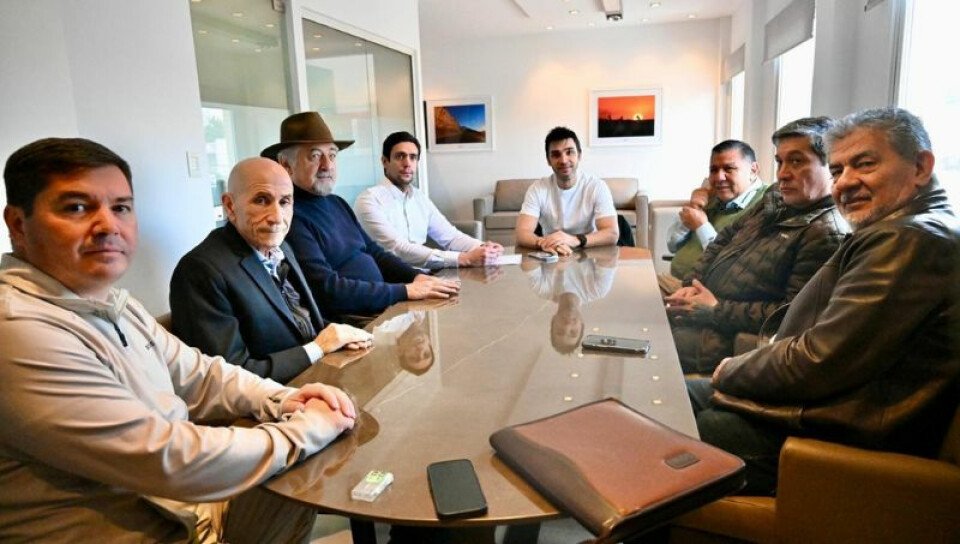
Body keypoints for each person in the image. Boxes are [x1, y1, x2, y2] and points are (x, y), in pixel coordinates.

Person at [0, 138, 358, 543]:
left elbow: (201, 374)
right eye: (77, 208)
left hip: (184, 508)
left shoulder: (112, 303)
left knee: (316, 461)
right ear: (18, 224)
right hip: (153, 524)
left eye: (120, 208)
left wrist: (284, 399)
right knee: (309, 452)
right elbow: (166, 458)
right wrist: (306, 429)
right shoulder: (17, 330)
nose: (108, 226)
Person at [687, 107, 960, 496]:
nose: (845, 182)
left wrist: (732, 369)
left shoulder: (907, 238)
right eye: (837, 170)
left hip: (837, 440)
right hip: (824, 410)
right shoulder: (899, 228)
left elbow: (819, 359)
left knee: (672, 426)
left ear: (920, 167)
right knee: (672, 399)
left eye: (864, 164)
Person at [665, 117, 849, 374]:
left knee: (643, 336)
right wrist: (690, 284)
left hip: (723, 335)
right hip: (699, 302)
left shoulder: (825, 233)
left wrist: (715, 309)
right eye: (780, 162)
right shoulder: (775, 197)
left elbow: (789, 316)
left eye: (797, 161)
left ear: (833, 167)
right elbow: (722, 240)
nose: (783, 173)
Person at [169, 158, 373, 383]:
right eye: (261, 200)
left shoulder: (281, 247)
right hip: (278, 397)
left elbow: (301, 320)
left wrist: (340, 336)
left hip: (320, 376)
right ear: (230, 206)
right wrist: (317, 348)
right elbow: (227, 379)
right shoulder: (200, 271)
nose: (277, 217)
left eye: (284, 202)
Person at [261, 112, 460, 325]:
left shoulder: (337, 203)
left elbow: (375, 252)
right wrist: (405, 290)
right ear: (286, 165)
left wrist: (415, 277)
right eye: (315, 156)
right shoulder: (290, 217)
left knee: (455, 310)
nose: (327, 165)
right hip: (356, 321)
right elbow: (327, 289)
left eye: (332, 155)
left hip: (385, 305)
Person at [354, 131, 503, 269]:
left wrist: (485, 247)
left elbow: (451, 237)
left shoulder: (419, 197)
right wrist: (463, 258)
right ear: (385, 161)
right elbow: (398, 249)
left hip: (424, 275)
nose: (407, 163)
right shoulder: (369, 200)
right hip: (389, 279)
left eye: (413, 157)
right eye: (400, 156)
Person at [663, 140, 767, 282]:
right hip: (676, 281)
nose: (719, 177)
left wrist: (701, 226)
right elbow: (672, 245)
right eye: (714, 170)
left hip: (707, 290)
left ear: (753, 170)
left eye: (729, 169)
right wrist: (694, 207)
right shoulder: (712, 197)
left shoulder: (765, 203)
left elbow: (730, 263)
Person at [515, 126, 619, 255]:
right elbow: (522, 233)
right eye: (556, 154)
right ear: (548, 160)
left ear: (579, 155)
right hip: (552, 253)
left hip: (589, 250)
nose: (564, 160)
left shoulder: (596, 186)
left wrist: (575, 240)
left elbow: (612, 233)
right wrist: (545, 244)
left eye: (569, 152)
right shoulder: (537, 189)